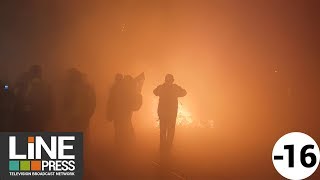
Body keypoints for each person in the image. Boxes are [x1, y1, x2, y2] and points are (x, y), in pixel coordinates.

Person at [107, 74, 143, 147]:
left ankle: (123, 143)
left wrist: (110, 112)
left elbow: (111, 101)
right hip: (122, 111)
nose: (118, 80)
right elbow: (111, 101)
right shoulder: (119, 88)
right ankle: (124, 143)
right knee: (123, 126)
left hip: (123, 111)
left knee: (122, 126)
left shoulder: (119, 88)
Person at [153, 74, 187, 152]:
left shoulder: (161, 87)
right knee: (170, 131)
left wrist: (161, 88)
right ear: (172, 80)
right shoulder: (175, 88)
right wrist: (178, 89)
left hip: (163, 113)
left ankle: (163, 147)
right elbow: (184, 92)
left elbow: (155, 92)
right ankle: (168, 147)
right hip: (171, 113)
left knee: (163, 130)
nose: (169, 82)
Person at [61, 68, 96, 133]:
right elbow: (92, 102)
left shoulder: (70, 88)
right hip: (81, 116)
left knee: (76, 133)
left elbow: (66, 102)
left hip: (76, 116)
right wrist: (89, 114)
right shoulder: (86, 87)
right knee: (82, 133)